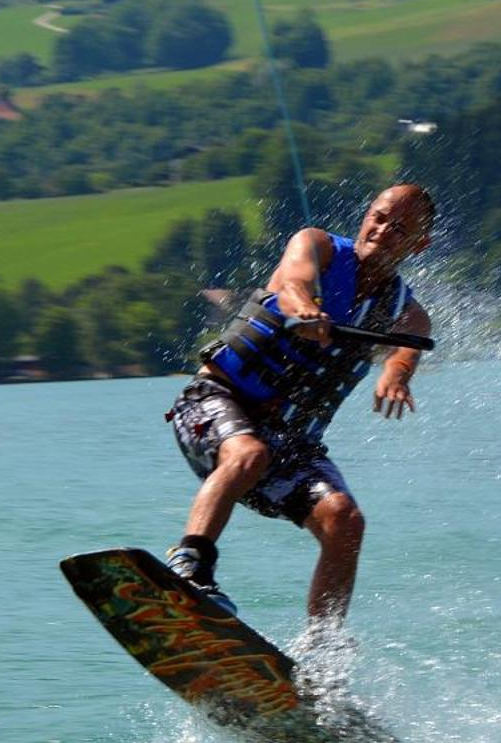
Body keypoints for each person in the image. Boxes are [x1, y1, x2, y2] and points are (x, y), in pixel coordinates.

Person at [163, 183, 435, 629]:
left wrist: (396, 375)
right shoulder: (319, 246)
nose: (383, 231)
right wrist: (305, 308)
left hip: (288, 443)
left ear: (418, 245)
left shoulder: (407, 312)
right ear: (367, 215)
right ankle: (191, 565)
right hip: (214, 403)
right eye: (380, 217)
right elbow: (292, 282)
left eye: (400, 228)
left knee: (345, 520)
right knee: (248, 453)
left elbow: (406, 350)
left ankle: (322, 655)